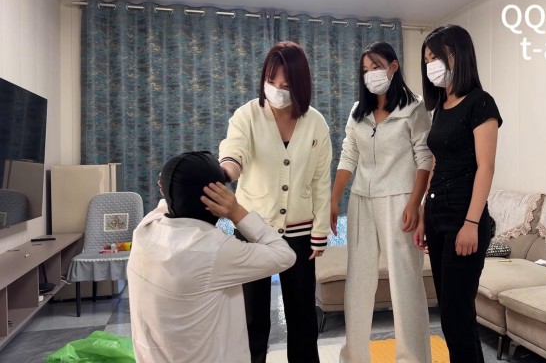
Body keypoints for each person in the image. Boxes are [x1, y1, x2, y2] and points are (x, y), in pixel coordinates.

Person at [219, 41, 332, 363]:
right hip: (252, 231)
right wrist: (226, 170)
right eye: (272, 82)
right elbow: (234, 150)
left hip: (300, 234)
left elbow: (320, 182)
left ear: (300, 84)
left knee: (302, 318)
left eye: (286, 85)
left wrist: (319, 233)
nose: (278, 90)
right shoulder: (247, 115)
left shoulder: (316, 123)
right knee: (252, 318)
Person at [127, 151, 297, 363]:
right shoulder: (214, 249)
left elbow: (167, 204)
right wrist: (236, 212)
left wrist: (173, 183)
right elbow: (284, 255)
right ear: (216, 200)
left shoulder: (145, 229)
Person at [331, 41, 433, 363]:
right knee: (358, 285)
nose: (370, 74)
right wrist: (333, 199)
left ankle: (413, 359)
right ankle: (354, 357)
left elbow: (425, 158)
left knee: (405, 285)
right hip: (361, 200)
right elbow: (349, 155)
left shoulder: (414, 108)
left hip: (400, 200)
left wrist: (415, 204)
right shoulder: (357, 112)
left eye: (375, 67)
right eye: (365, 69)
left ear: (393, 66)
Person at [414, 24, 502, 363]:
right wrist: (424, 213)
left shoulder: (481, 103)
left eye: (435, 57)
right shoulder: (441, 106)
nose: (430, 65)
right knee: (449, 316)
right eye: (426, 60)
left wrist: (471, 223)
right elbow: (437, 163)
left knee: (457, 316)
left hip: (463, 216)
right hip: (437, 214)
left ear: (457, 55)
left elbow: (486, 168)